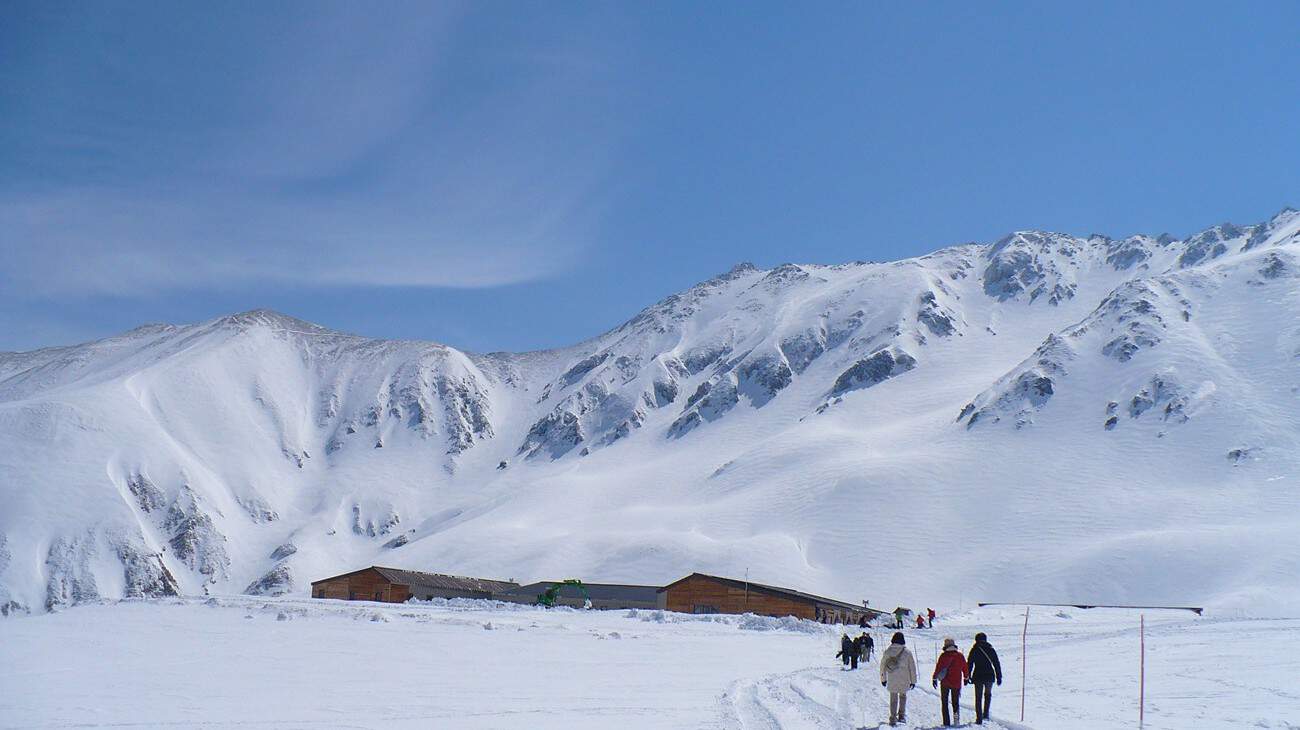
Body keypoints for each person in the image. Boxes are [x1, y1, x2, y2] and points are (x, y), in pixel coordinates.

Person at [880, 632, 917, 726]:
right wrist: (913, 681)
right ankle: (901, 715)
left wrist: (883, 679)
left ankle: (892, 717)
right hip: (905, 678)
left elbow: (882, 666)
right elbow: (912, 667)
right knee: (903, 696)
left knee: (893, 698)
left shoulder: (888, 651)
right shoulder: (907, 652)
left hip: (892, 678)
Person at [966, 632, 1003, 724]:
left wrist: (967, 676)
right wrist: (999, 676)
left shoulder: (974, 650)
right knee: (988, 694)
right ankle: (986, 714)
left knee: (978, 697)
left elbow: (969, 664)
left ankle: (979, 718)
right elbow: (996, 663)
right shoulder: (990, 649)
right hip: (989, 675)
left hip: (978, 675)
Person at [932, 637, 970, 727]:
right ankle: (956, 720)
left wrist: (934, 678)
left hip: (945, 682)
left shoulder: (943, 656)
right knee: (955, 702)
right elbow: (965, 668)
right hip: (956, 682)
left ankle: (946, 722)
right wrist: (966, 678)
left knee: (944, 702)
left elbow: (938, 668)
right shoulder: (960, 656)